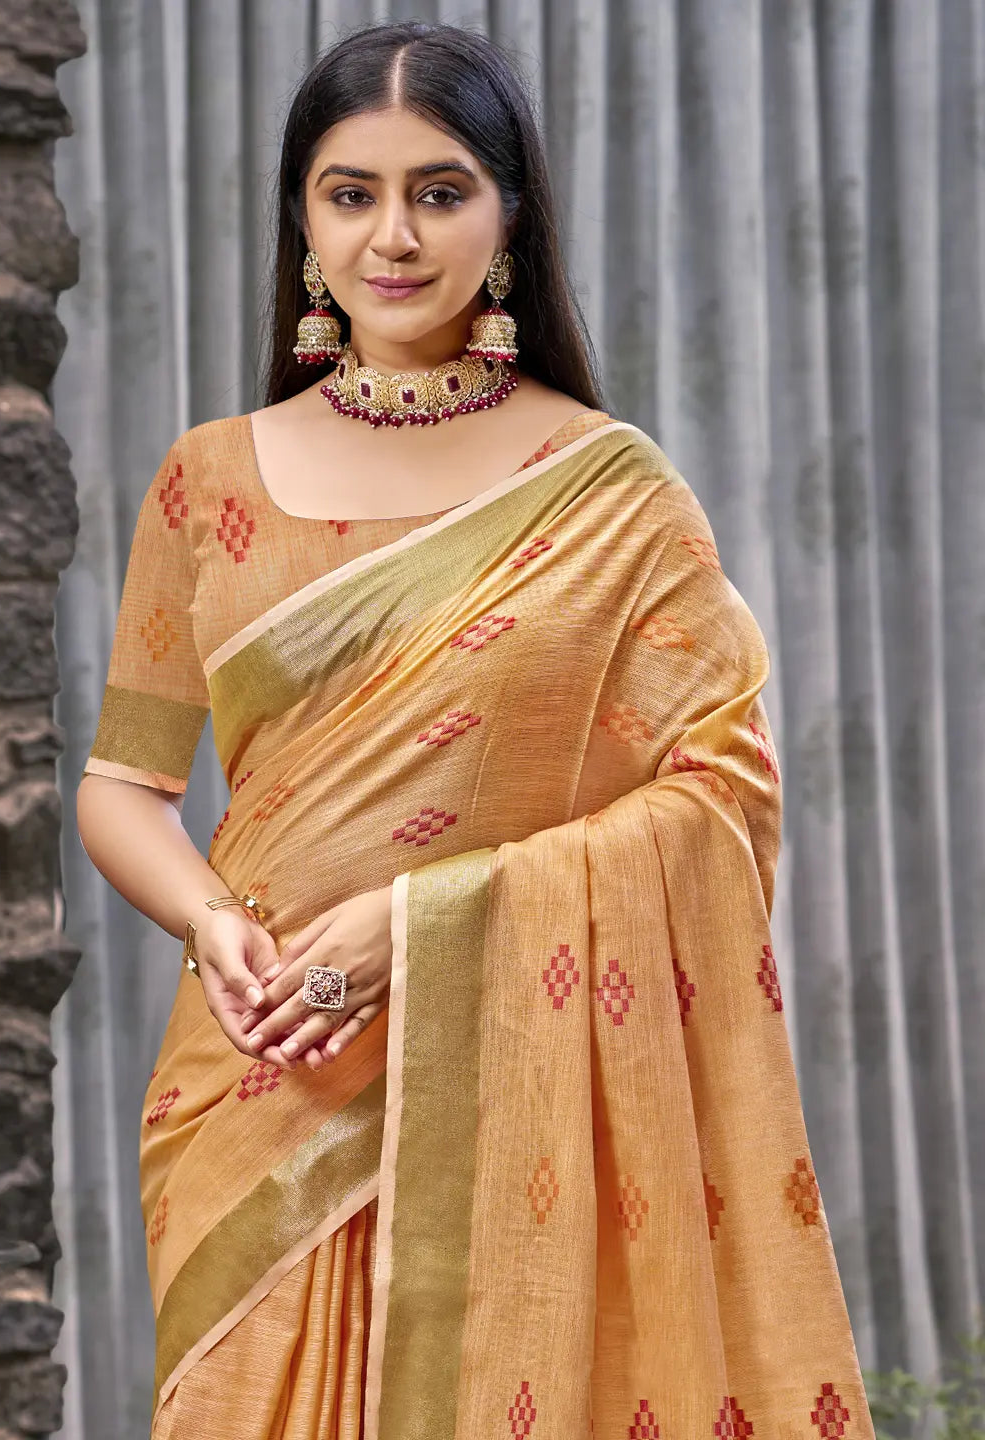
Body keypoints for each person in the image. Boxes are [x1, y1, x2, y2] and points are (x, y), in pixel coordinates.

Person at [75, 20, 876, 1440]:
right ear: (303, 222)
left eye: (440, 191)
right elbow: (124, 787)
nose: (394, 235)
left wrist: (422, 925)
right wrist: (212, 924)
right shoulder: (209, 482)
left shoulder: (609, 494)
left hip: (514, 1101)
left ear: (507, 216)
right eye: (351, 192)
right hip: (257, 1081)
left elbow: (722, 798)